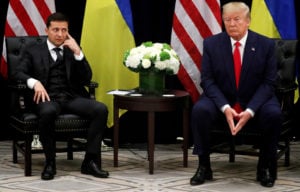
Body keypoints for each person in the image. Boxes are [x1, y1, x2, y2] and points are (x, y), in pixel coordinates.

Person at [190, 2, 281, 188]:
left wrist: (250, 110)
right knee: (200, 110)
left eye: (237, 19)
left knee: (273, 114)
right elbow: (207, 81)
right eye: (227, 20)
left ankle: (263, 167)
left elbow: (268, 83)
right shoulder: (211, 44)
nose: (231, 24)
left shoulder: (265, 45)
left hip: (256, 99)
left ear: (247, 21)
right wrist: (224, 107)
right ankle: (204, 166)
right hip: (222, 98)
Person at [11, 12, 109, 180]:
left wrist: (78, 53)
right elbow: (17, 73)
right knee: (48, 112)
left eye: (64, 30)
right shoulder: (33, 50)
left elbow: (86, 78)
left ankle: (90, 161)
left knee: (101, 109)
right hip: (46, 98)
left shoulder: (71, 49)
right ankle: (50, 162)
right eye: (55, 30)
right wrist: (34, 82)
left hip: (71, 97)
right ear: (47, 31)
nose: (60, 34)